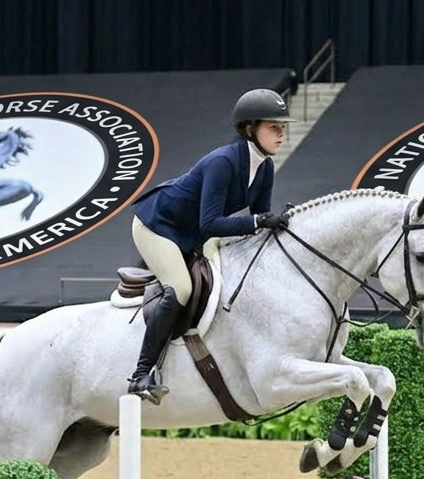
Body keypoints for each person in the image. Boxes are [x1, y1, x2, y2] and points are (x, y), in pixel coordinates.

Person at [125, 87, 296, 404]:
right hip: (158, 224)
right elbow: (211, 222)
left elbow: (259, 218)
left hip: (192, 233)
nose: (281, 134)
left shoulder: (265, 167)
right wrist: (261, 222)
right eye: (274, 127)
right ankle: (140, 375)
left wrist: (278, 223)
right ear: (249, 129)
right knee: (181, 287)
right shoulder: (223, 162)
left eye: (283, 127)